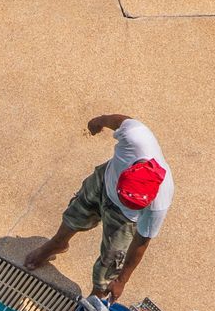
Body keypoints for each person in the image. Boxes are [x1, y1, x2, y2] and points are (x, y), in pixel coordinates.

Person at [25, 114, 174, 299]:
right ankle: (58, 243)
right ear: (129, 171)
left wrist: (122, 281)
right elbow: (119, 121)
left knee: (110, 263)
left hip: (125, 219)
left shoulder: (160, 202)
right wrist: (99, 121)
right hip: (104, 181)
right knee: (76, 213)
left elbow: (142, 241)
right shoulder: (136, 137)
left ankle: (93, 300)